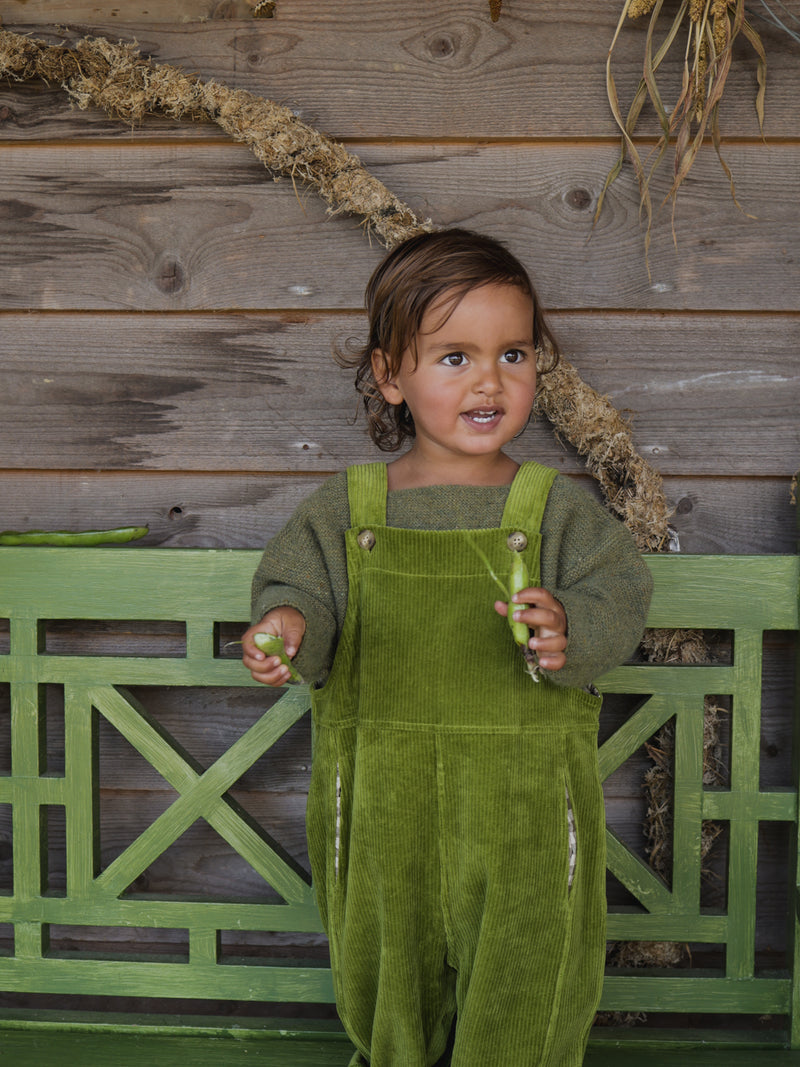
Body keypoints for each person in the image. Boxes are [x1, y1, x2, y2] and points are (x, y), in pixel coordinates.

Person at [242, 229, 653, 1066]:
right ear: (391, 376)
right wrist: (286, 626)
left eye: (513, 352)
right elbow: (301, 586)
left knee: (527, 969)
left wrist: (568, 623)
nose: (491, 381)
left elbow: (622, 588)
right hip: (384, 807)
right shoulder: (350, 508)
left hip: (526, 811)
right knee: (390, 968)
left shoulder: (552, 508)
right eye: (454, 357)